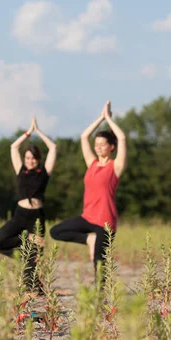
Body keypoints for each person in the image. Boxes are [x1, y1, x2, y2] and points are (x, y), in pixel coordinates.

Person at [50, 100, 127, 276]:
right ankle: (88, 239)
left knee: (99, 263)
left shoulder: (115, 167)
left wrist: (109, 120)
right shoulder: (91, 163)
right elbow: (84, 136)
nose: (98, 147)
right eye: (97, 144)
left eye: (102, 144)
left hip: (105, 220)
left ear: (111, 147)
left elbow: (122, 138)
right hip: (88, 217)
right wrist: (101, 118)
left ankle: (100, 300)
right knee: (56, 231)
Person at [0, 116, 56, 288]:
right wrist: (28, 132)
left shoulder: (44, 173)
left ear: (38, 159)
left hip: (37, 217)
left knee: (35, 253)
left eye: (33, 158)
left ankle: (33, 288)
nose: (30, 161)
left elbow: (53, 147)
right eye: (27, 158)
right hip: (20, 215)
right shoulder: (20, 170)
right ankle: (22, 250)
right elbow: (13, 147)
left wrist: (39, 132)